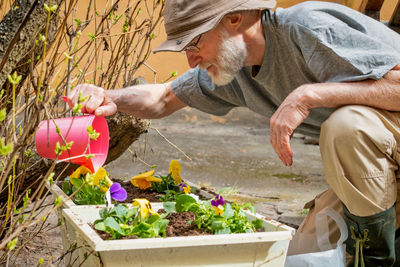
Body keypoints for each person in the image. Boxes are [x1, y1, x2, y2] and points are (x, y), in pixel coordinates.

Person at [67, 0, 400, 265]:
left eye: (194, 42)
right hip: (385, 163)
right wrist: (109, 97)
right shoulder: (235, 69)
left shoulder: (305, 26)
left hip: (378, 147)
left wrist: (309, 94)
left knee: (346, 126)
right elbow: (164, 98)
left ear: (235, 18)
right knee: (301, 254)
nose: (191, 61)